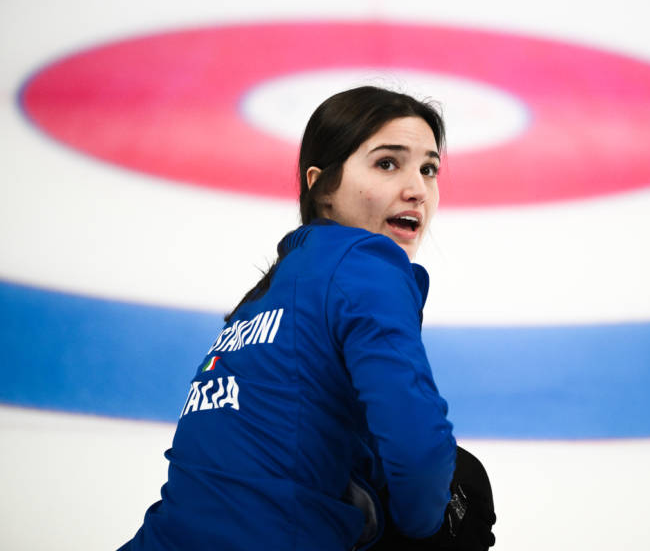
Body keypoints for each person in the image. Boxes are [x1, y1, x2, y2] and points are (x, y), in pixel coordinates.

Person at [119, 86, 495, 550]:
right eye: (387, 163)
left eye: (429, 169)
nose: (417, 189)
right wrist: (422, 531)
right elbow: (420, 453)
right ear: (322, 187)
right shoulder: (365, 263)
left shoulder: (264, 297)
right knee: (463, 485)